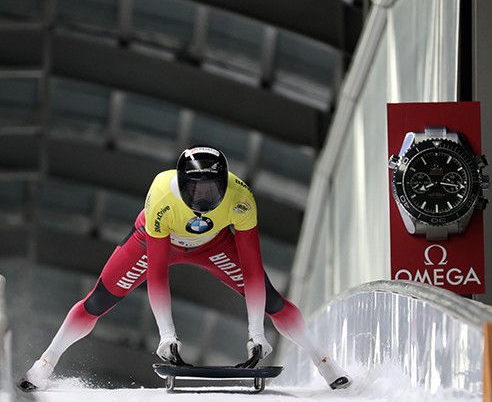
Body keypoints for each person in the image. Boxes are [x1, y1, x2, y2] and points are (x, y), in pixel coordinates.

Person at [20, 145, 350, 390]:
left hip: (214, 246)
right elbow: (158, 273)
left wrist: (256, 333)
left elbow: (252, 271)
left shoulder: (241, 197)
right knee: (98, 301)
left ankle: (324, 362)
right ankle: (45, 363)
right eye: (196, 190)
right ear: (181, 184)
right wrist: (167, 336)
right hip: (153, 241)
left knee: (273, 301)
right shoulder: (163, 194)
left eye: (212, 189)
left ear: (226, 183)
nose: (205, 198)